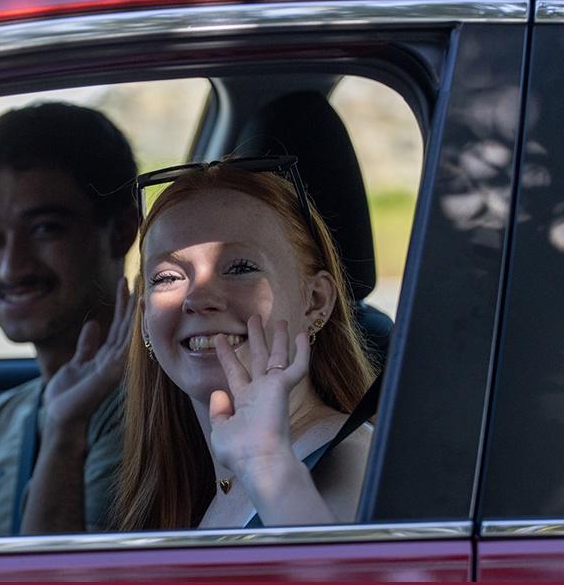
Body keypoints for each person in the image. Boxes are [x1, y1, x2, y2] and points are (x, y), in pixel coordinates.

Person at [113, 161, 375, 530]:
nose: (198, 298)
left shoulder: (349, 461)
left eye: (239, 268)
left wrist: (269, 467)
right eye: (167, 277)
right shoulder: (195, 484)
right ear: (144, 320)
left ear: (315, 301)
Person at [0, 102, 139, 536]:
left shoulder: (160, 409)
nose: (10, 268)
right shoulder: (2, 422)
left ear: (121, 231)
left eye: (45, 229)